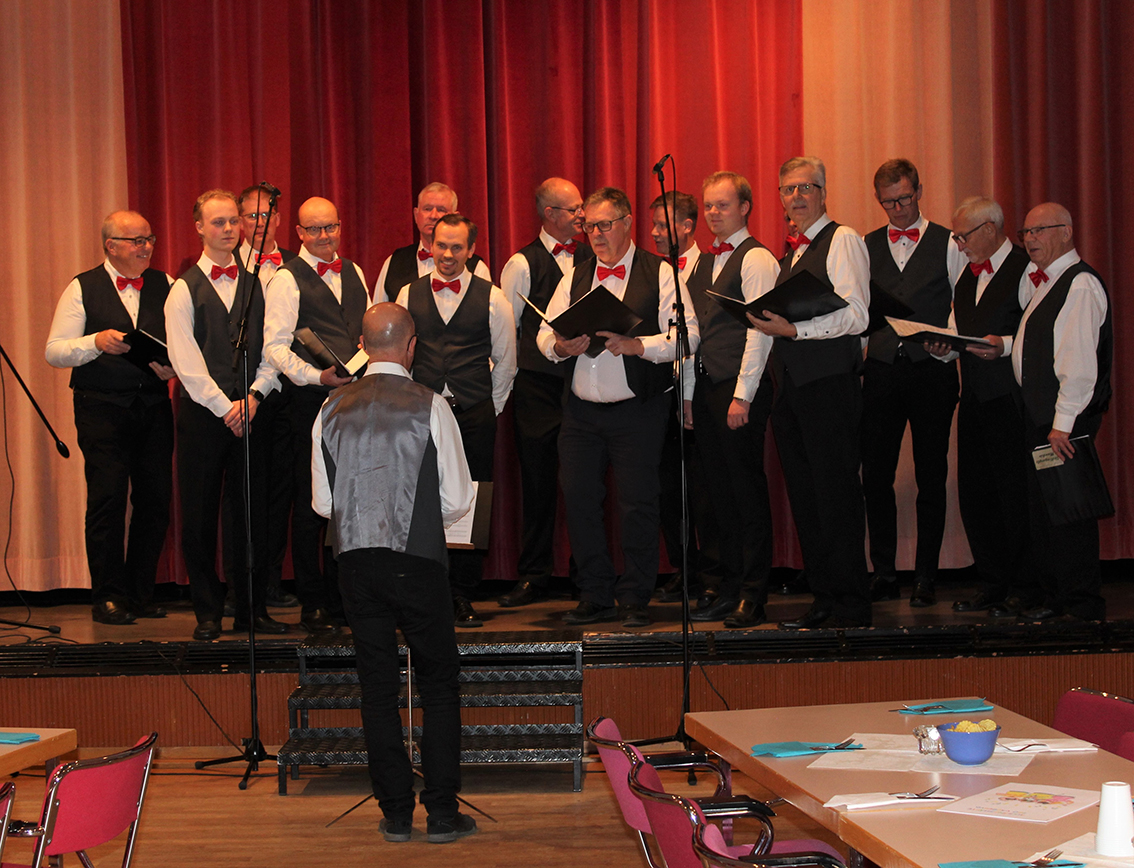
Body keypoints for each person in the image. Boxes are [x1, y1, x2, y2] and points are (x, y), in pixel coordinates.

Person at [311, 302, 477, 844]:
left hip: (356, 563)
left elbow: (323, 504)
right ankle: (443, 814)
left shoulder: (330, 408)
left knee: (377, 688)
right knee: (439, 687)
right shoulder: (432, 404)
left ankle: (397, 814)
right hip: (418, 559)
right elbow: (457, 499)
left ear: (362, 345)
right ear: (411, 347)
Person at [537, 187, 699, 629]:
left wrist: (637, 345)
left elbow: (687, 337)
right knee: (580, 500)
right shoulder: (575, 275)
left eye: (605, 225)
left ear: (627, 223)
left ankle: (634, 597)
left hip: (636, 411)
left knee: (637, 504)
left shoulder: (661, 273)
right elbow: (543, 333)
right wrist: (559, 346)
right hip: (581, 413)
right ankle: (595, 593)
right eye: (589, 226)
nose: (596, 234)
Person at [750, 157, 871, 629]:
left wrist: (795, 330)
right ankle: (825, 597)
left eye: (805, 187)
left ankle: (851, 604)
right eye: (788, 189)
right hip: (793, 390)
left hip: (829, 386)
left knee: (836, 496)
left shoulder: (843, 239)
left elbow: (857, 315)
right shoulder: (790, 256)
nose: (796, 197)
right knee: (807, 498)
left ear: (823, 192)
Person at [46, 211, 175, 625]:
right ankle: (107, 596)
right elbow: (54, 351)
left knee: (155, 500)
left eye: (149, 239)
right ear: (110, 245)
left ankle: (139, 594)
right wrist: (95, 342)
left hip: (153, 406)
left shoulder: (167, 283)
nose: (146, 247)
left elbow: (184, 343)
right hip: (101, 407)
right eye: (136, 240)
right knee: (108, 500)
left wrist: (173, 367)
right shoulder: (82, 287)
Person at [164, 189, 283, 640]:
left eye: (234, 220)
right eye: (219, 222)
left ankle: (252, 609)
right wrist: (224, 407)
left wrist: (253, 396)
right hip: (204, 417)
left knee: (252, 515)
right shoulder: (183, 290)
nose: (230, 229)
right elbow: (185, 362)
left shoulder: (259, 283)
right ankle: (208, 611)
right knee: (199, 516)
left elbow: (273, 349)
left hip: (251, 412)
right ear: (199, 227)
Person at [395, 213, 516, 627]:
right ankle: (424, 591)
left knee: (471, 501)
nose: (447, 254)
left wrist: (486, 407)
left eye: (457, 247)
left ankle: (463, 593)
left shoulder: (493, 297)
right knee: (421, 500)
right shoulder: (408, 293)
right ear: (430, 245)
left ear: (471, 250)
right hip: (422, 414)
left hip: (474, 413)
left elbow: (506, 362)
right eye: (441, 245)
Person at [862, 159, 967, 608]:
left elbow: (963, 303)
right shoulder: (865, 245)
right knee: (875, 476)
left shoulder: (949, 242)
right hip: (882, 369)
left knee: (931, 475)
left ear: (919, 191)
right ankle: (884, 573)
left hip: (931, 371)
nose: (898, 209)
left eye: (904, 198)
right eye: (889, 203)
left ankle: (926, 575)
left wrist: (950, 346)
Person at [263, 196, 369, 635]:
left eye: (331, 227)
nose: (325, 236)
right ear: (300, 234)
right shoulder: (286, 280)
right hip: (308, 403)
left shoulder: (356, 272)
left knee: (349, 504)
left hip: (355, 402)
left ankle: (347, 599)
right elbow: (274, 347)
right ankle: (314, 602)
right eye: (315, 229)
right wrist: (316, 376)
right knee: (311, 505)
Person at [926, 197, 1031, 616]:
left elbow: (1041, 332)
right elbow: (959, 332)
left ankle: (1026, 586)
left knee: (1015, 495)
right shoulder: (966, 279)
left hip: (1011, 399)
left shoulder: (1025, 269)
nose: (959, 244)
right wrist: (942, 348)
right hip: (973, 398)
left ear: (989, 229)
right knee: (976, 495)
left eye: (962, 236)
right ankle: (992, 582)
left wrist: (1003, 345)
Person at [684, 172, 778, 628]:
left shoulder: (756, 258)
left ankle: (753, 594)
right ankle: (729, 586)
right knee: (716, 494)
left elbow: (761, 334)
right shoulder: (702, 262)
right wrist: (689, 396)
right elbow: (694, 335)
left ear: (744, 208)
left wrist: (743, 397)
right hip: (706, 387)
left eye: (722, 205)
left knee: (746, 492)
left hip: (739, 388)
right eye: (708, 205)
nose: (713, 213)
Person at [1011, 203, 1111, 622]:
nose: (1030, 239)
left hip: (1063, 422)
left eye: (1040, 230)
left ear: (1067, 232)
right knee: (1047, 513)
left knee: (1069, 514)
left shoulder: (1079, 284)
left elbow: (1079, 365)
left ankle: (1081, 605)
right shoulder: (1047, 282)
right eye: (1026, 232)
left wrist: (1062, 425)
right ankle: (1056, 599)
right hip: (1045, 418)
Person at [497, 178, 592, 607]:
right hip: (537, 389)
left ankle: (586, 574)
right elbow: (507, 330)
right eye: (574, 209)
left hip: (585, 383)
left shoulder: (593, 256)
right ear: (550, 214)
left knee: (585, 484)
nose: (582, 216)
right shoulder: (521, 263)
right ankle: (534, 575)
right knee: (537, 485)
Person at [648, 189, 718, 608]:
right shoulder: (653, 272)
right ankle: (684, 567)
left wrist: (689, 396)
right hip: (660, 394)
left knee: (702, 489)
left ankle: (711, 572)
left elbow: (699, 341)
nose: (656, 233)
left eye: (663, 225)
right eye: (654, 225)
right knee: (667, 489)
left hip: (697, 392)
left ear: (688, 227)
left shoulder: (708, 269)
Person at [237, 184, 299, 610]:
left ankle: (272, 581)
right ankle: (243, 589)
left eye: (266, 216)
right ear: (240, 221)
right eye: (251, 216)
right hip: (243, 397)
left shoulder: (297, 266)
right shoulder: (226, 267)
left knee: (282, 492)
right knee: (245, 495)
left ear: (278, 219)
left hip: (288, 394)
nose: (259, 224)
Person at [374, 182, 491, 302]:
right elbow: (379, 310)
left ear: (455, 217)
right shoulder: (394, 262)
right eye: (427, 209)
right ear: (416, 215)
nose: (433, 216)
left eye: (441, 210)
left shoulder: (477, 267)